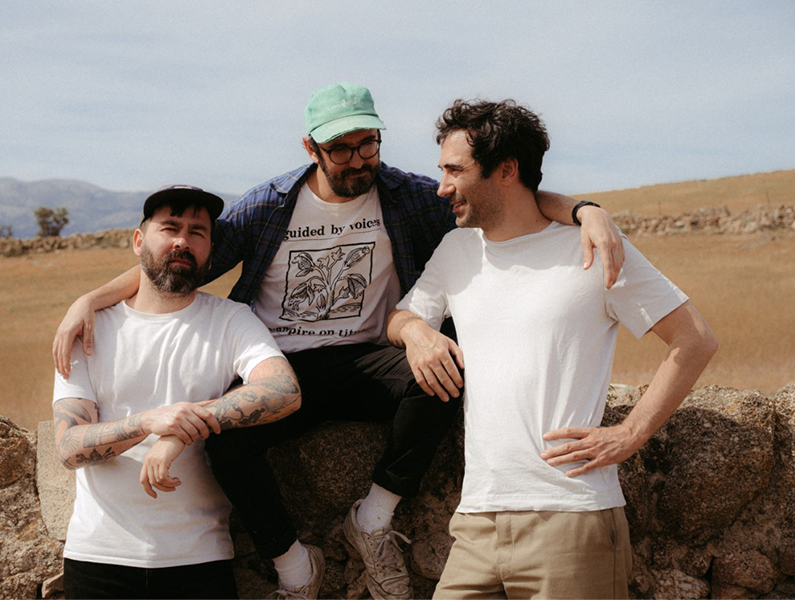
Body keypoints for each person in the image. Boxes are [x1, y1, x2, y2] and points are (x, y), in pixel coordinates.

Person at [52, 82, 626, 600]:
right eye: (342, 149)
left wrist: (584, 208)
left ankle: (373, 520)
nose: (358, 160)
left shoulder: (406, 195)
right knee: (227, 447)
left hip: (367, 361)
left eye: (369, 144)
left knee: (446, 375)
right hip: (281, 367)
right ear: (312, 149)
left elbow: (502, 194)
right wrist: (92, 299)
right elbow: (185, 255)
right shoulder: (269, 204)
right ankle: (293, 567)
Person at [387, 99, 718, 599]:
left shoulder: (593, 246)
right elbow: (401, 317)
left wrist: (629, 435)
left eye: (455, 170)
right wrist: (417, 333)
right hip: (476, 521)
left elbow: (695, 340)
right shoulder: (457, 251)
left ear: (506, 170)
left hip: (573, 518)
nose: (442, 186)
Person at [52, 185, 301, 600]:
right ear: (138, 241)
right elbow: (68, 446)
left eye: (198, 233)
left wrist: (179, 430)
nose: (183, 241)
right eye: (169, 228)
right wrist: (147, 421)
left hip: (199, 560)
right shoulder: (90, 329)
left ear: (209, 250)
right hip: (98, 558)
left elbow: (283, 389)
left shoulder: (231, 321)